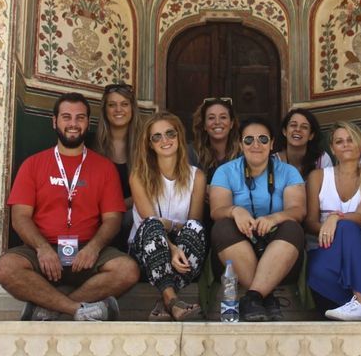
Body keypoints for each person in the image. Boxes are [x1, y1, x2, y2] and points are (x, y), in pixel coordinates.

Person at [0, 92, 140, 321]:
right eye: (66, 117)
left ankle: (47, 309)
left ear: (87, 122)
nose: (73, 124)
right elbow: (20, 217)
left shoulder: (104, 167)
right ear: (55, 121)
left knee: (128, 270)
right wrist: (42, 248)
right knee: (6, 267)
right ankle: (76, 310)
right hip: (43, 250)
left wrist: (93, 248)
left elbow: (112, 218)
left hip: (87, 252)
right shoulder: (33, 164)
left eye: (80, 117)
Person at [209, 117, 306, 322]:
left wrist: (274, 218)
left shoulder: (288, 172)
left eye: (263, 139)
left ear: (272, 144)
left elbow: (298, 210)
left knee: (292, 227)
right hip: (234, 256)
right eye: (249, 140)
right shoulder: (225, 171)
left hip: (279, 254)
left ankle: (252, 297)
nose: (256, 145)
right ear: (239, 144)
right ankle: (264, 296)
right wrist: (235, 211)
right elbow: (217, 210)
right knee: (222, 227)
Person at [305, 122, 361, 321]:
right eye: (339, 141)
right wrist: (328, 230)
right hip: (326, 250)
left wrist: (334, 218)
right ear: (332, 149)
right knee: (317, 272)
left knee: (347, 227)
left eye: (350, 140)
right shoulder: (318, 176)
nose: (345, 145)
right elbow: (309, 222)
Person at [128, 112, 207, 321]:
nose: (165, 140)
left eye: (170, 133)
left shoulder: (196, 177)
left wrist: (171, 226)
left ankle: (165, 301)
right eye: (157, 137)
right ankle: (173, 300)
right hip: (144, 252)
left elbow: (193, 224)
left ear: (179, 136)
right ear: (150, 144)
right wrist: (171, 248)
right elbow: (149, 223)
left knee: (195, 230)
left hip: (183, 255)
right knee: (153, 225)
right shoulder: (139, 176)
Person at [92, 82, 140, 249]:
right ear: (105, 110)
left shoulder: (144, 145)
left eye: (124, 104)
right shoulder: (92, 144)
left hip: (131, 213)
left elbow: (150, 189)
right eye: (112, 105)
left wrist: (116, 206)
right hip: (98, 212)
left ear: (132, 108)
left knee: (127, 218)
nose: (118, 110)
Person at [191, 97, 240, 180]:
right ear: (204, 125)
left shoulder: (242, 153)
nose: (217, 122)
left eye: (223, 117)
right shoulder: (192, 153)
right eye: (211, 118)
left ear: (231, 123)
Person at [275, 108, 325, 179]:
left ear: (311, 135)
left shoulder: (322, 159)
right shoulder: (273, 161)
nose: (298, 129)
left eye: (304, 127)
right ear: (284, 131)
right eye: (293, 125)